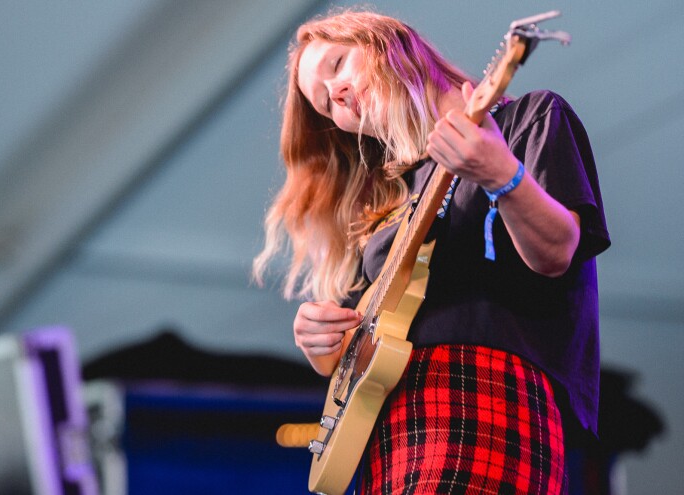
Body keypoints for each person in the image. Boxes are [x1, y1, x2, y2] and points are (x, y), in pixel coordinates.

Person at [253, 9, 610, 494]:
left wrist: (500, 175)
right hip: (389, 431)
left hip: (488, 398)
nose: (335, 95)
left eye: (337, 65)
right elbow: (359, 345)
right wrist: (323, 346)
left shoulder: (529, 118)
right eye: (324, 105)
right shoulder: (387, 206)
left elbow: (557, 251)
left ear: (389, 43)